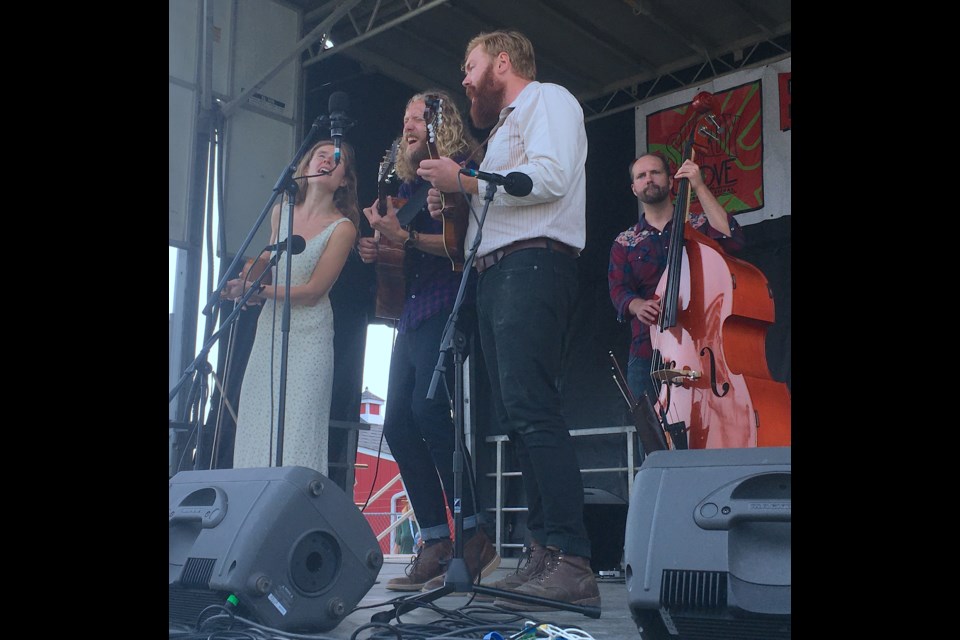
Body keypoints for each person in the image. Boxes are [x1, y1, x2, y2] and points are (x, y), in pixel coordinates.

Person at [416, 30, 599, 610]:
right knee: (519, 418)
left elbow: (549, 177)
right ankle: (543, 551)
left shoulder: (549, 100)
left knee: (533, 411)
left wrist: (465, 182)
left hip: (534, 263)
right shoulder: (498, 132)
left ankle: (573, 557)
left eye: (469, 67)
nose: (465, 79)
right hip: (500, 274)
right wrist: (456, 203)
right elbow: (498, 197)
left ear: (502, 62)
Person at [358, 91, 499, 592]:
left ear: (442, 125)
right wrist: (378, 248)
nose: (408, 124)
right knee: (396, 420)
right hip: (411, 311)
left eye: (419, 117)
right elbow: (400, 246)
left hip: (448, 300)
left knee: (428, 410)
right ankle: (437, 538)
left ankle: (473, 534)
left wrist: (405, 240)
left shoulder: (457, 168)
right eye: (405, 117)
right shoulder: (403, 186)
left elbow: (458, 246)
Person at [223, 139, 359, 475]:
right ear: (306, 167)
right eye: (319, 155)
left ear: (344, 179)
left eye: (335, 159)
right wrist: (247, 289)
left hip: (310, 336)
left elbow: (313, 291)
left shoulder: (343, 228)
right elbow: (267, 265)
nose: (325, 161)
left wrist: (261, 290)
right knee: (257, 422)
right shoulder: (280, 211)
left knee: (299, 432)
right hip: (269, 333)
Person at [607, 152, 745, 428]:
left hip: (701, 346)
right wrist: (637, 305)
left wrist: (699, 186)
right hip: (649, 352)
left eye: (655, 172)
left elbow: (734, 241)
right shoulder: (625, 241)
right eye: (641, 176)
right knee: (654, 437)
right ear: (634, 188)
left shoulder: (696, 226)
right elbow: (619, 290)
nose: (649, 179)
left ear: (671, 181)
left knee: (711, 427)